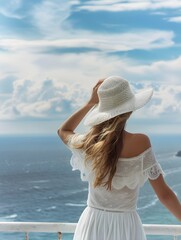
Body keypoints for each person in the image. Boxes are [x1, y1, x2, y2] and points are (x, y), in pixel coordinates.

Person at [57, 76, 181, 240]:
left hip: (93, 222)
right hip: (125, 226)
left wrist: (90, 103)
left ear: (102, 111)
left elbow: (64, 130)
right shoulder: (140, 142)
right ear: (129, 110)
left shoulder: (88, 144)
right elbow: (164, 194)